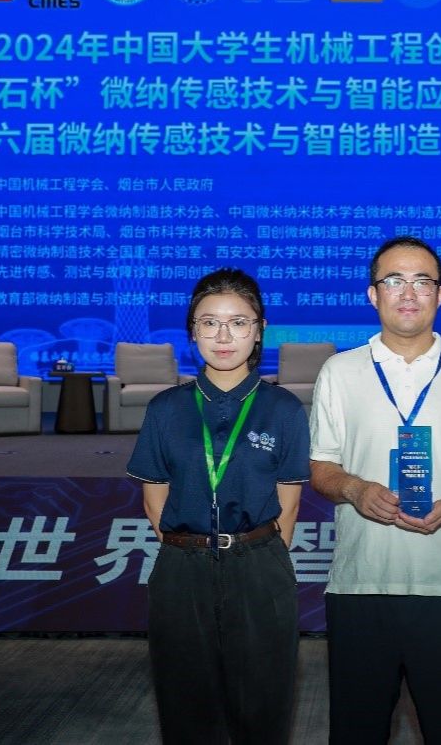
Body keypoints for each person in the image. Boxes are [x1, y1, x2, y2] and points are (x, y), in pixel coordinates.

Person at [309, 236, 441, 744]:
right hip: (360, 586)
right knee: (356, 732)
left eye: (422, 281)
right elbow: (321, 467)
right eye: (394, 280)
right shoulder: (340, 371)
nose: (408, 292)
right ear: (373, 294)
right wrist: (355, 489)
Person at [126, 268, 308, 745]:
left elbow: (288, 506)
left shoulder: (284, 409)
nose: (223, 337)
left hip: (259, 567)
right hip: (181, 570)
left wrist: (252, 555)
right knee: (186, 709)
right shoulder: (165, 408)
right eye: (209, 323)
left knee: (264, 707)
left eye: (238, 323)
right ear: (193, 332)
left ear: (259, 330)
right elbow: (154, 500)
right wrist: (193, 549)